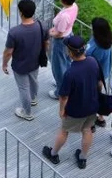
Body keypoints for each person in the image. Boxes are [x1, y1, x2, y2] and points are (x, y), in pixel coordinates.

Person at [42, 34, 101, 169]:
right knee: (87, 130)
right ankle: (82, 158)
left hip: (75, 110)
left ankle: (53, 153)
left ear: (70, 52)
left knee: (64, 131)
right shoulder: (92, 62)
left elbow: (64, 97)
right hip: (92, 106)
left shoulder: (70, 73)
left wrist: (62, 110)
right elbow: (99, 83)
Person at [2, 0, 48, 121]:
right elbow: (46, 42)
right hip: (35, 61)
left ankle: (27, 113)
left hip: (20, 65)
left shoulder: (15, 32)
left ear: (21, 13)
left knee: (23, 88)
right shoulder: (42, 25)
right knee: (34, 80)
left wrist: (4, 64)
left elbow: (8, 52)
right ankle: (33, 99)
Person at [47, 0, 79, 99]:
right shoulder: (74, 6)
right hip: (69, 36)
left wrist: (51, 33)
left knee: (58, 66)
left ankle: (60, 91)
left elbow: (59, 33)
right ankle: (66, 84)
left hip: (61, 41)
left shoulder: (65, 16)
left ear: (63, 0)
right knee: (67, 62)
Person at [86, 17, 112, 127]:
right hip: (100, 74)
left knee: (92, 96)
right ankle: (99, 117)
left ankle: (92, 120)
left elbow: (92, 62)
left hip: (95, 76)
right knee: (96, 95)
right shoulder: (104, 39)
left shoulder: (100, 48)